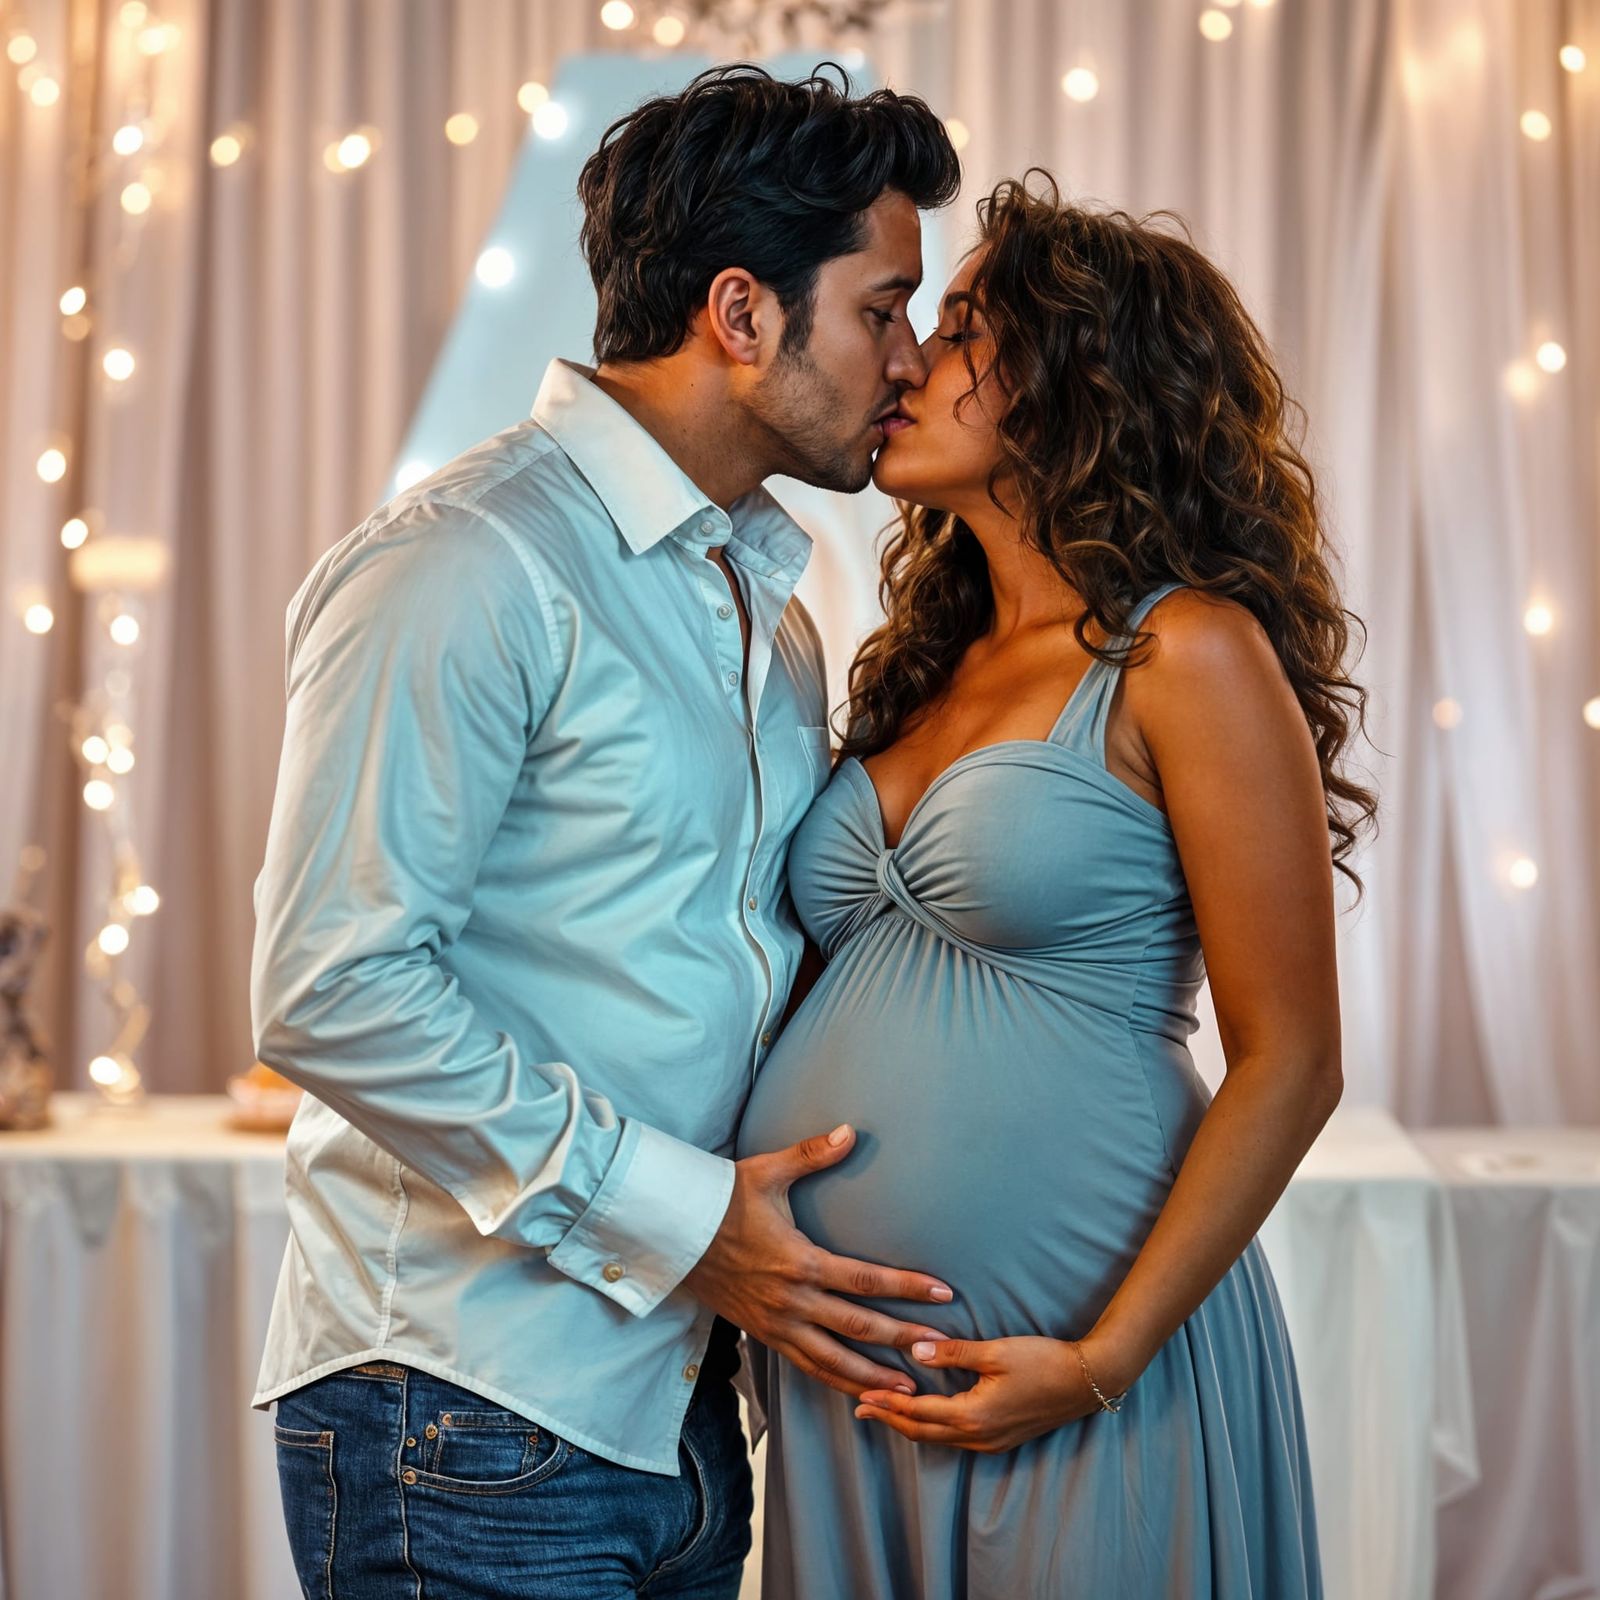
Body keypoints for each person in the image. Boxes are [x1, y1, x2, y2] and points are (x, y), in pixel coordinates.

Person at [250, 65, 960, 1599]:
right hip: (462, 1402)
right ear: (742, 312)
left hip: (683, 1412)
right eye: (883, 309)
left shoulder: (762, 609)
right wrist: (688, 1223)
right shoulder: (464, 566)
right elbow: (332, 988)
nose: (911, 360)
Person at [738, 174, 1377, 1598]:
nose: (905, 361)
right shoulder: (916, 667)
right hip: (856, 1392)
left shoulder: (1188, 654)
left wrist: (1100, 1361)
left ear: (1082, 380)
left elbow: (1293, 1061)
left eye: (959, 331)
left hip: (1085, 1375)